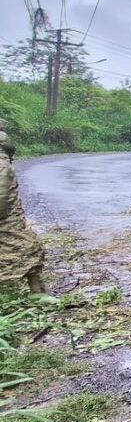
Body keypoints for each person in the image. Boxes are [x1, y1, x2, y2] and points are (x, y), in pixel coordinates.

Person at [0, 119, 46, 293]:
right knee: (27, 248)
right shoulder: (2, 166)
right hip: (7, 223)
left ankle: (36, 290)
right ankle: (35, 291)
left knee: (31, 249)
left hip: (10, 220)